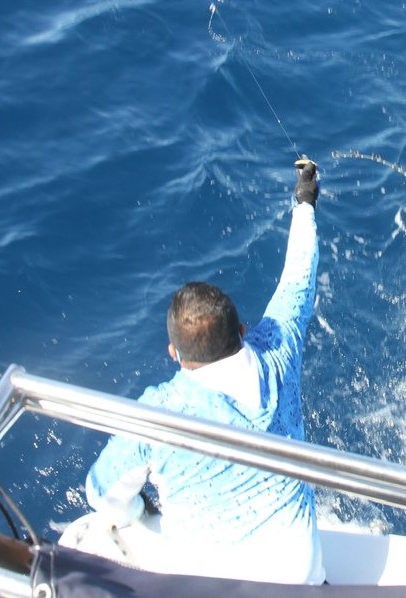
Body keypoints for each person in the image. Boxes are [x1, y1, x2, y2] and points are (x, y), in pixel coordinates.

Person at [85, 159, 324, 584]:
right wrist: (304, 201)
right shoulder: (278, 350)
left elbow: (101, 492)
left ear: (173, 353)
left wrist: (139, 510)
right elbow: (298, 276)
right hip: (300, 579)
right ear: (243, 331)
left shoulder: (159, 414)